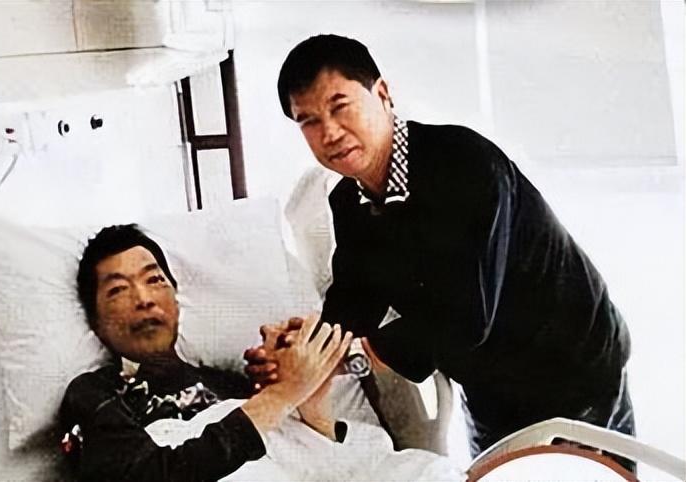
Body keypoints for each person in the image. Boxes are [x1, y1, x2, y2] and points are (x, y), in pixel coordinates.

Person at [246, 33, 635, 471]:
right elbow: (355, 299)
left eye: (341, 107)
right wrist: (303, 348)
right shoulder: (348, 202)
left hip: (571, 368)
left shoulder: (464, 165)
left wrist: (350, 357)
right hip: (491, 386)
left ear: (383, 94)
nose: (330, 132)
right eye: (309, 121)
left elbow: (466, 320)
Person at [59, 224, 353, 481]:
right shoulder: (93, 393)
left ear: (176, 300)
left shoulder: (230, 384)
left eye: (155, 280)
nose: (144, 299)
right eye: (118, 290)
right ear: (95, 322)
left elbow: (318, 466)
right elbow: (139, 476)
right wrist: (279, 397)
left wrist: (310, 398)